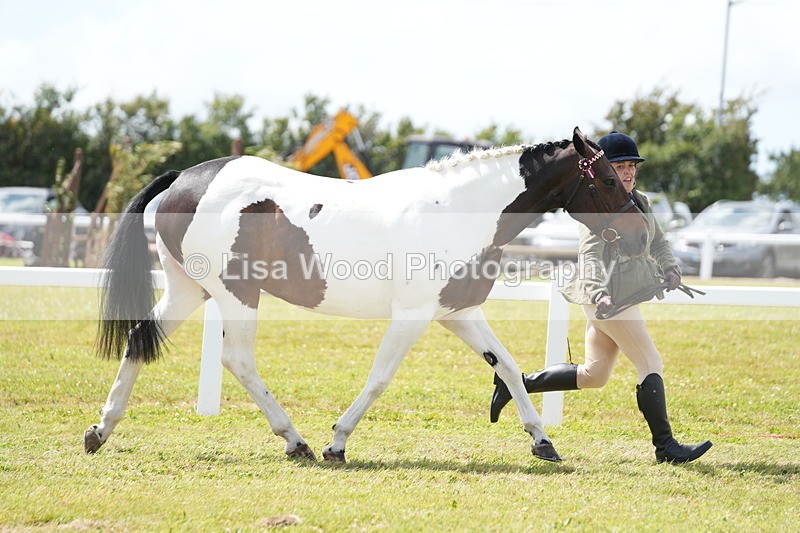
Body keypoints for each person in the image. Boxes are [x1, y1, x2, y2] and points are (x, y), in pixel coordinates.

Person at [489, 131, 712, 464]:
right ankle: (666, 448)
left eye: (632, 166)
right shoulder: (597, 207)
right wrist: (598, 292)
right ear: (604, 169)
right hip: (607, 299)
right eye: (620, 166)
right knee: (650, 363)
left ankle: (516, 384)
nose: (628, 172)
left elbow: (659, 242)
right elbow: (590, 256)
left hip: (621, 297)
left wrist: (670, 268)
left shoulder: (641, 202)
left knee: (595, 374)